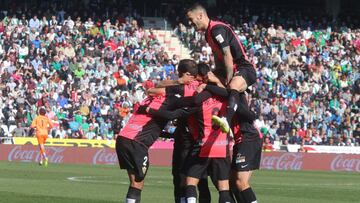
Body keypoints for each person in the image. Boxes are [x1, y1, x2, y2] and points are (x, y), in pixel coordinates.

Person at [115, 59, 198, 203]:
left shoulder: (150, 97)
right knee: (137, 183)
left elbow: (157, 87)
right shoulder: (170, 99)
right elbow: (178, 108)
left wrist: (169, 134)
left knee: (135, 182)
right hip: (136, 143)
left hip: (122, 139)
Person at [147, 60, 212, 203]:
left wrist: (178, 81)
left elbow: (154, 90)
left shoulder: (183, 87)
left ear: (183, 73)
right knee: (200, 178)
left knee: (180, 174)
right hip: (204, 138)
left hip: (186, 137)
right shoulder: (207, 88)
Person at [186, 3, 256, 134]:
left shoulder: (217, 29)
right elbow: (218, 58)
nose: (190, 23)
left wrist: (228, 79)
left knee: (231, 87)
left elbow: (226, 54)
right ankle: (248, 117)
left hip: (244, 68)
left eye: (191, 19)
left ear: (200, 16)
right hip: (232, 70)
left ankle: (226, 120)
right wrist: (216, 74)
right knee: (216, 85)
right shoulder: (208, 34)